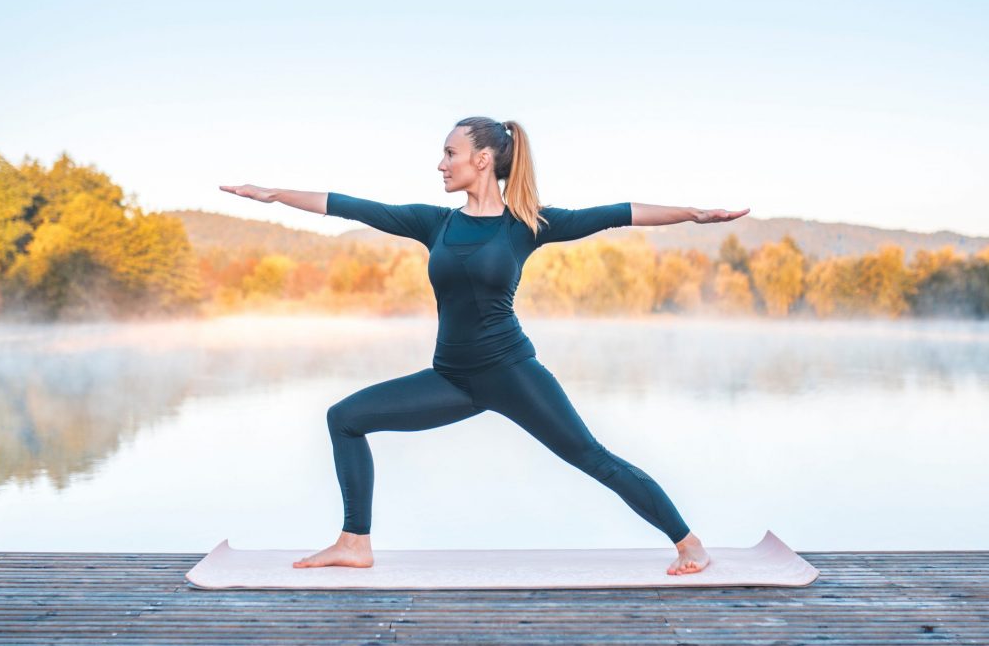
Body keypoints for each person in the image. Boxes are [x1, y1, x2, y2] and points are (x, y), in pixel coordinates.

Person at [220, 117, 749, 576]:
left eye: (449, 154)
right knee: (345, 418)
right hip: (451, 379)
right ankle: (354, 543)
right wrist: (274, 195)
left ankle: (690, 544)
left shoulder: (528, 225)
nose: (440, 164)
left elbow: (617, 212)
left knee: (593, 458)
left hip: (512, 374)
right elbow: (351, 206)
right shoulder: (435, 224)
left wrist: (692, 213)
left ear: (482, 158)